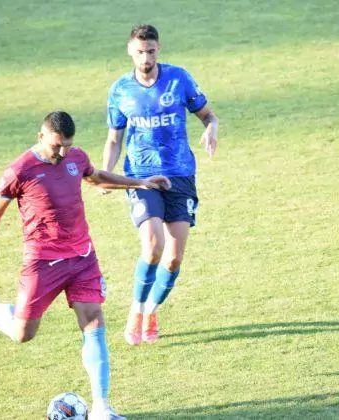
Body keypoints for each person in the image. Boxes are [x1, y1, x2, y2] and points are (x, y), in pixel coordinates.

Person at [0, 110, 170, 420]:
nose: (62, 152)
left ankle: (101, 408)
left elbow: (95, 177)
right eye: (57, 146)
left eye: (67, 145)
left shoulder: (75, 157)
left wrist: (141, 183)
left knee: (93, 321)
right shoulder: (20, 170)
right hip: (42, 262)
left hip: (82, 257)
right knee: (22, 334)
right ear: (40, 136)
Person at [102, 24, 219, 346]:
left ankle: (151, 311)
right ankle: (136, 310)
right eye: (140, 52)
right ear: (130, 51)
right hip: (142, 176)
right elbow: (114, 139)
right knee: (153, 246)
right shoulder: (121, 90)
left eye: (150, 51)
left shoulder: (179, 79)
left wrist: (211, 127)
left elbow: (208, 115)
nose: (145, 58)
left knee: (173, 258)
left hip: (180, 174)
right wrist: (106, 173)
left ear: (159, 50)